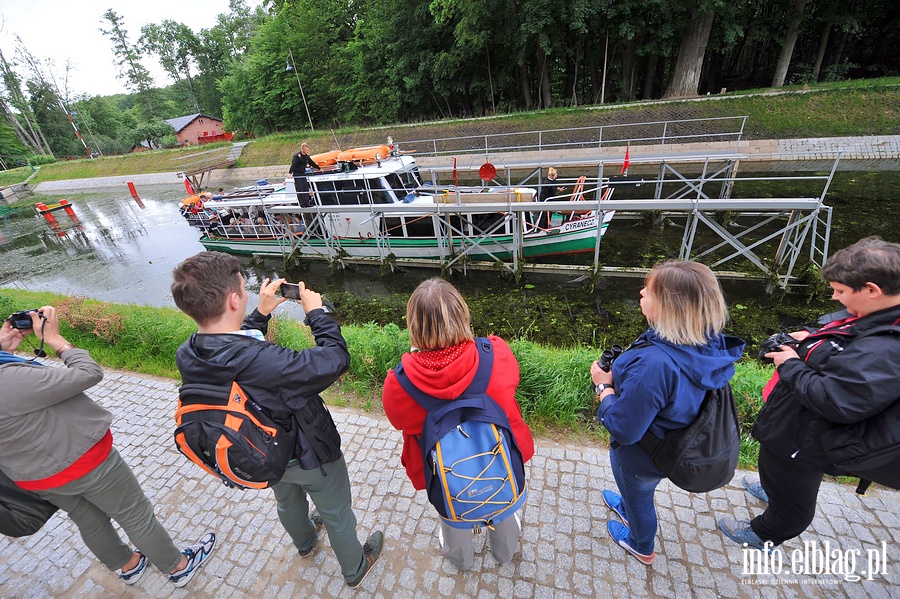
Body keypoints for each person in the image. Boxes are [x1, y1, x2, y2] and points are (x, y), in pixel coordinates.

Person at [170, 251, 384, 589]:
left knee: (286, 500)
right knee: (337, 513)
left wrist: (260, 314)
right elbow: (334, 359)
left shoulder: (191, 351)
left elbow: (236, 356)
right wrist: (317, 313)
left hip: (264, 452)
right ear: (233, 299)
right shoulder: (266, 361)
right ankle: (355, 567)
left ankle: (305, 543)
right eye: (244, 286)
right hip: (309, 453)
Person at [0, 307, 216, 588]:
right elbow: (88, 373)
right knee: (135, 514)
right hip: (85, 460)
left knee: (89, 521)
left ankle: (128, 565)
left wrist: (5, 351)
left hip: (36, 476)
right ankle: (178, 567)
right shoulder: (8, 380)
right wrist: (56, 340)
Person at [718, 236, 900, 550]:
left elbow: (835, 400)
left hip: (809, 439)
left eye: (841, 292)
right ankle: (773, 489)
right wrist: (810, 338)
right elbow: (847, 353)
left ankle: (766, 533)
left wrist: (789, 362)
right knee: (780, 474)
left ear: (873, 290)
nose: (833, 297)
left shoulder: (886, 350)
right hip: (797, 426)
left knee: (794, 500)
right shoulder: (878, 315)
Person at [590, 260, 744, 565]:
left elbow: (624, 428)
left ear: (667, 306)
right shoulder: (705, 339)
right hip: (672, 441)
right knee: (635, 494)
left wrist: (603, 388)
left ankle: (641, 545)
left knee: (640, 498)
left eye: (648, 291)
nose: (641, 293)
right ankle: (626, 503)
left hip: (642, 455)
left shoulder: (656, 365)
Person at [382, 278, 535, 571]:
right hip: (497, 461)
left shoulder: (399, 385)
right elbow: (511, 383)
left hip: (446, 474)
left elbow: (397, 419)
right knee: (502, 506)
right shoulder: (497, 354)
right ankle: (504, 552)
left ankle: (461, 559)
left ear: (414, 326)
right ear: (462, 314)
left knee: (451, 510)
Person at [289, 142, 320, 207]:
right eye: (306, 150)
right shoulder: (297, 156)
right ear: (303, 149)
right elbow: (293, 165)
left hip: (303, 173)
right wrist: (290, 173)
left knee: (305, 188)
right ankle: (302, 204)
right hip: (297, 173)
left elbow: (312, 163)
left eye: (308, 150)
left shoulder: (306, 157)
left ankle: (307, 203)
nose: (307, 151)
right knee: (300, 188)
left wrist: (319, 168)